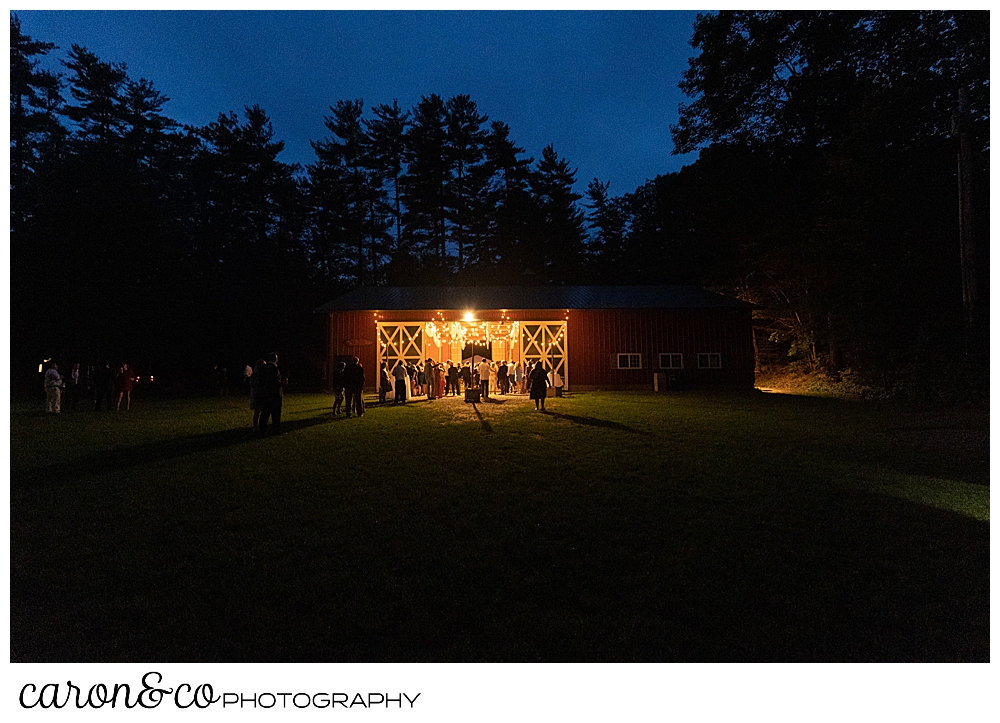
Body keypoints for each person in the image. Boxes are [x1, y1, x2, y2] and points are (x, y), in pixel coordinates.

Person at [256, 352, 285, 433]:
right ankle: (276, 428)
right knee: (276, 413)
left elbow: (261, 380)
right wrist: (281, 383)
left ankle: (262, 428)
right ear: (275, 359)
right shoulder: (274, 368)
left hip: (265, 393)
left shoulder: (263, 368)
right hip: (275, 394)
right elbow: (275, 381)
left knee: (265, 412)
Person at [250, 358, 264, 427]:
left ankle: (258, 425)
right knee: (258, 411)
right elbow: (253, 384)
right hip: (258, 394)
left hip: (259, 394)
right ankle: (256, 425)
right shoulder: (256, 375)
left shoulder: (256, 374)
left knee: (259, 411)